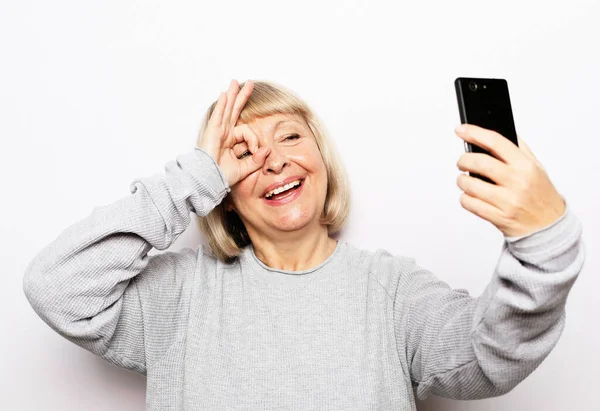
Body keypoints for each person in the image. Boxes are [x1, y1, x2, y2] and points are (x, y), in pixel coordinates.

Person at [23, 79, 585, 410]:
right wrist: (190, 179)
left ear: (320, 158)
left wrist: (542, 242)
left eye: (290, 136)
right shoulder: (177, 295)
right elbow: (57, 287)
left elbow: (490, 357)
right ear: (219, 189)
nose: (274, 159)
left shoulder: (391, 293)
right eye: (242, 153)